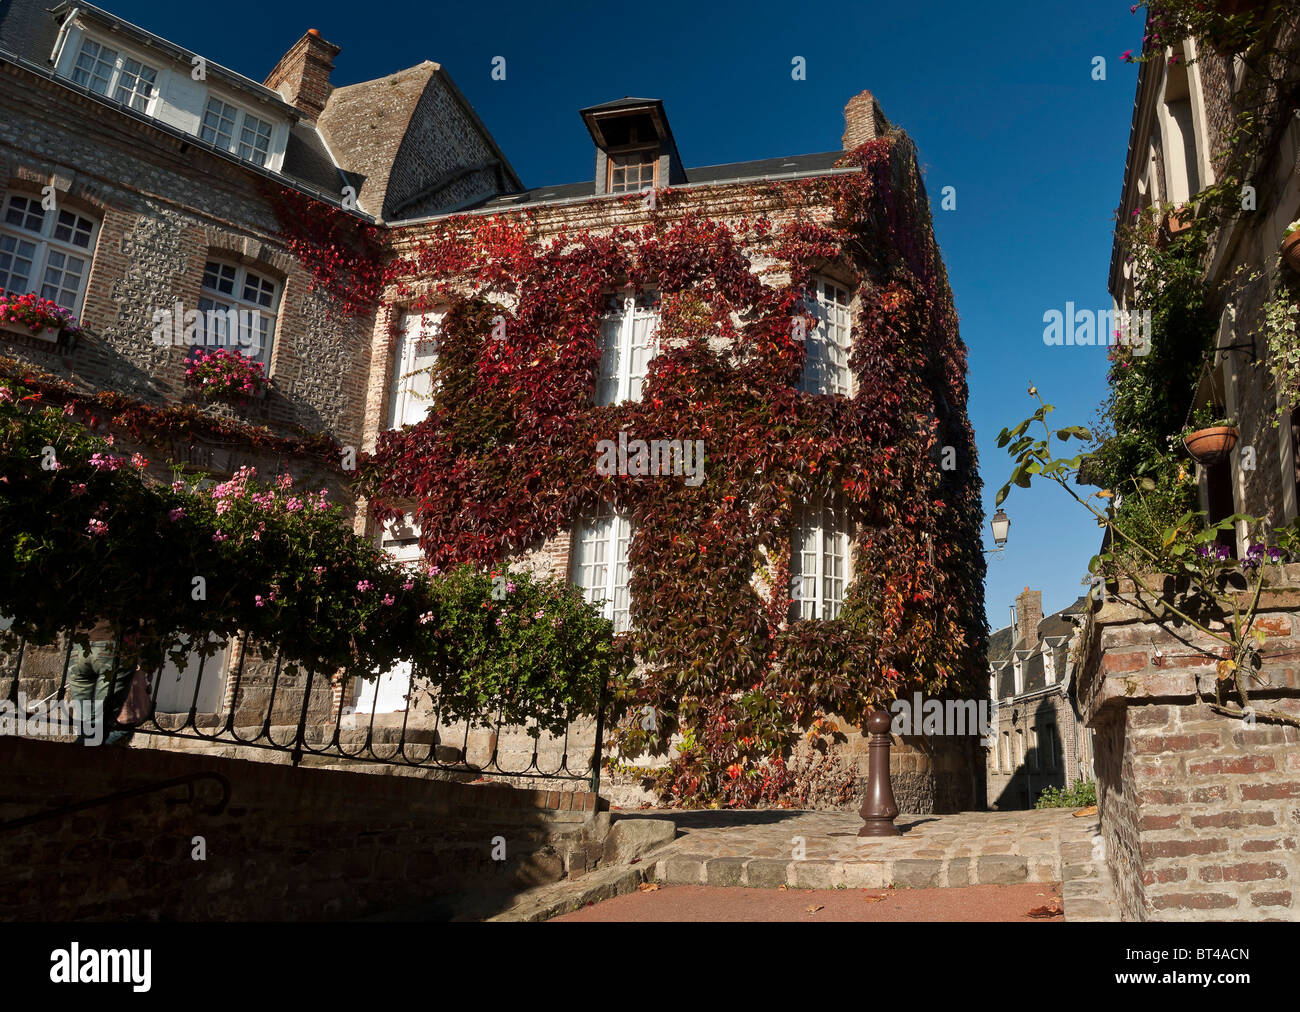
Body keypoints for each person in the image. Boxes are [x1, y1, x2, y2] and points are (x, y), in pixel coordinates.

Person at [66, 617, 137, 746]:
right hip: (113, 643)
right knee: (100, 721)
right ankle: (84, 759)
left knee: (87, 722)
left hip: (81, 644)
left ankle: (80, 754)